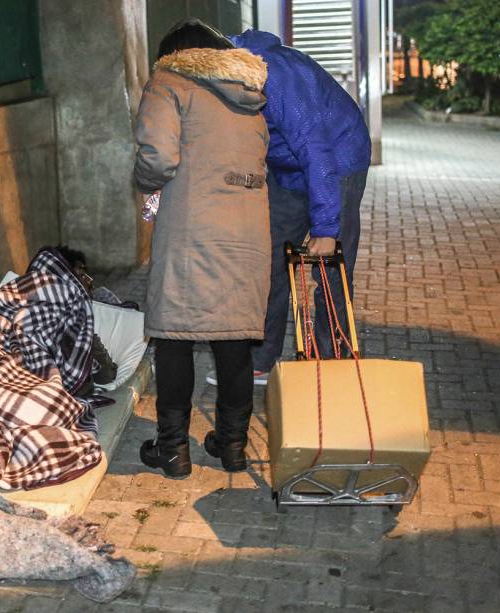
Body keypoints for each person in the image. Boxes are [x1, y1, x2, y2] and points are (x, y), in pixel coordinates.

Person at [134, 20, 271, 478]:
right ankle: (232, 446)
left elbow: (158, 156)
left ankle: (173, 449)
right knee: (233, 338)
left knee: (175, 336)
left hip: (193, 228)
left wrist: (146, 184)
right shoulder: (247, 96)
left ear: (173, 55)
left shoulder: (169, 83)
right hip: (248, 231)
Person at [204, 29, 371, 386]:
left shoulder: (277, 76)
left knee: (330, 264)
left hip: (337, 158)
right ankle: (260, 359)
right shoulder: (220, 79)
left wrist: (326, 230)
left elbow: (316, 152)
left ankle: (332, 359)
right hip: (287, 167)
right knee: (270, 255)